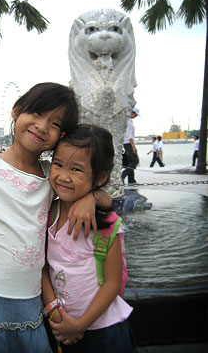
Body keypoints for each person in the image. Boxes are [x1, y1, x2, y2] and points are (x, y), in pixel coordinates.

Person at [0, 83, 111, 353]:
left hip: (30, 304)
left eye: (54, 124)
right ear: (17, 111)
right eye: (37, 113)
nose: (42, 126)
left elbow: (104, 197)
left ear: (60, 136)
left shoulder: (51, 177)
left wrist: (92, 197)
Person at [42, 124, 137, 353]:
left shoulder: (105, 225)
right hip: (60, 325)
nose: (63, 176)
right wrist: (53, 310)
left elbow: (112, 283)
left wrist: (79, 325)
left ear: (100, 177)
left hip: (103, 331)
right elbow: (42, 267)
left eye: (76, 169)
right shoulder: (48, 214)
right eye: (58, 164)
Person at [121, 107, 140, 185]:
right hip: (128, 143)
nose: (135, 116)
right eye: (135, 114)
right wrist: (133, 146)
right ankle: (122, 177)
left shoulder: (129, 121)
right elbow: (129, 135)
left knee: (130, 161)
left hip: (127, 143)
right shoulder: (128, 121)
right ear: (132, 112)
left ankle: (131, 180)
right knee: (135, 161)